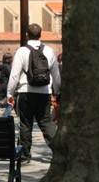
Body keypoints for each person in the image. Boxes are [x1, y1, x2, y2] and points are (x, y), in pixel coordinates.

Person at [5, 23, 61, 163]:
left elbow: (14, 75)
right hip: (44, 92)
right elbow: (56, 75)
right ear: (41, 34)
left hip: (25, 91)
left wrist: (9, 94)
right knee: (46, 122)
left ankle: (24, 154)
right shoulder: (49, 51)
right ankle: (59, 151)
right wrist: (56, 91)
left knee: (25, 122)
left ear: (26, 35)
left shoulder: (22, 51)